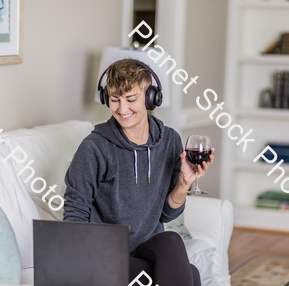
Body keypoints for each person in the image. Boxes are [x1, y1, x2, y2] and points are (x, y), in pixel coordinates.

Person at [63, 59, 214, 286]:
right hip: (106, 253)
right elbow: (75, 214)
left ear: (151, 97)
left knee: (171, 239)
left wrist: (184, 183)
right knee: (190, 274)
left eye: (131, 99)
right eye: (115, 100)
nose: (122, 109)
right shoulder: (95, 147)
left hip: (147, 245)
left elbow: (166, 215)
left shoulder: (170, 140)